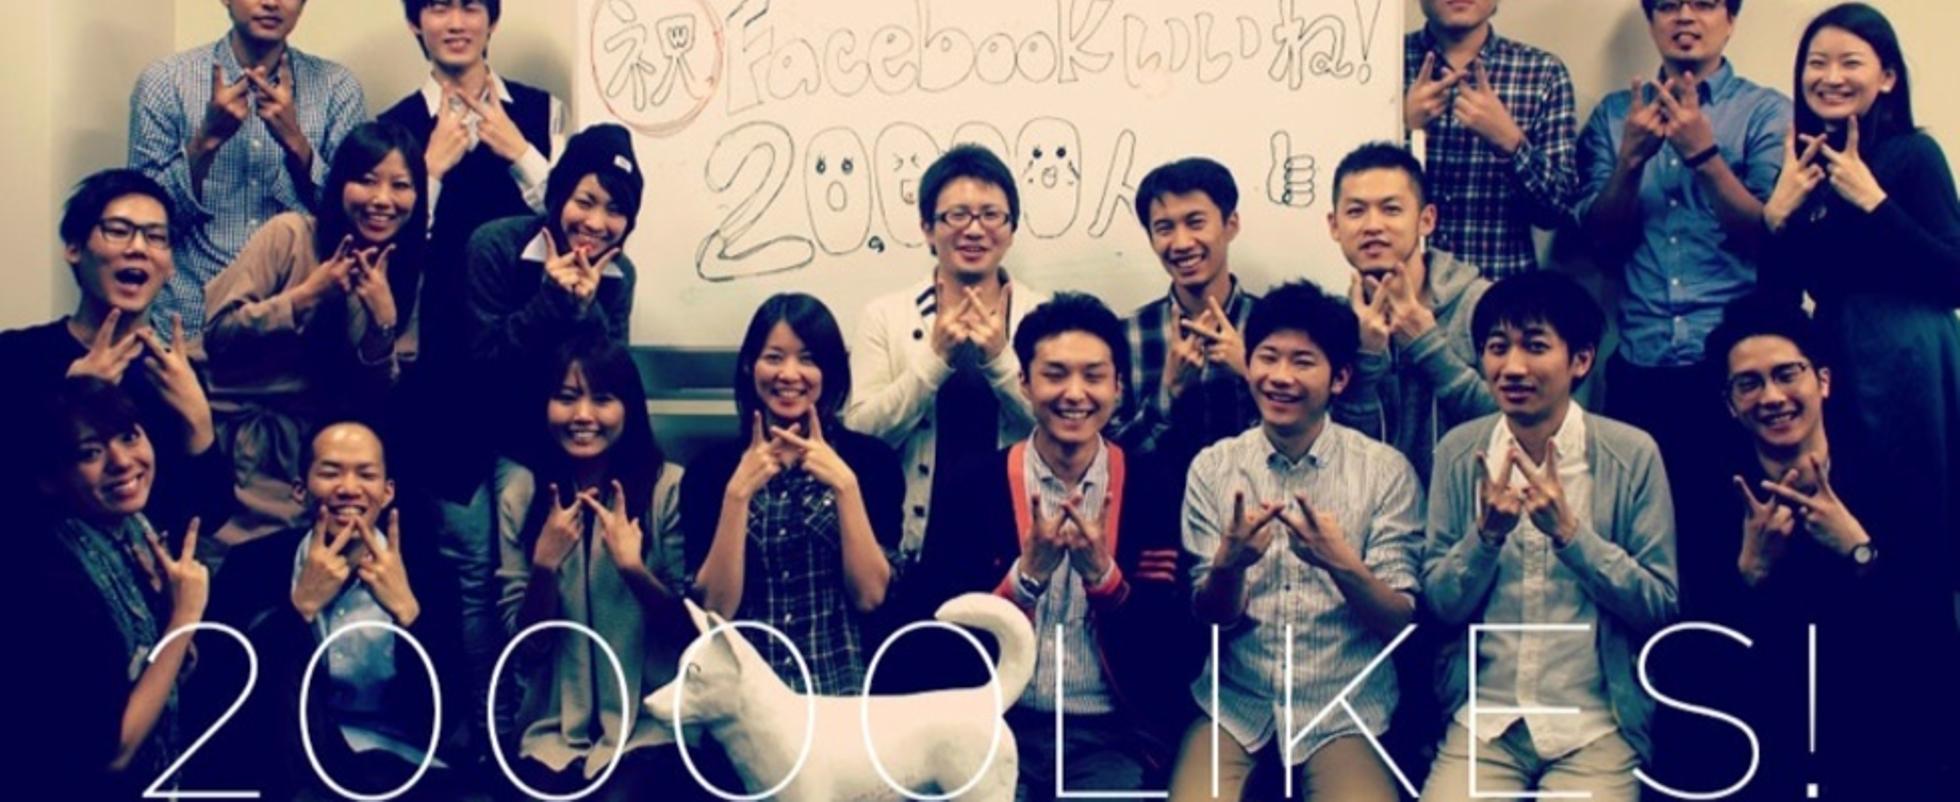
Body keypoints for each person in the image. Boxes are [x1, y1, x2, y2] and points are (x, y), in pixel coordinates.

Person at [1644, 295, 1960, 798]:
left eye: (1787, 374)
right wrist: (1748, 574)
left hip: (1877, 722)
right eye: (1749, 384)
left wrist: (1858, 550)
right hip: (1768, 730)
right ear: (1730, 404)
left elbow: (1929, 630)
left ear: (1824, 381)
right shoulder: (1709, 498)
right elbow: (1691, 661)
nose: (1772, 397)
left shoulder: (1890, 477)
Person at [916, 293, 1194, 799]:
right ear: (1024, 382)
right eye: (1055, 374)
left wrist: (1104, 579)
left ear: (1118, 386)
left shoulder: (1152, 485)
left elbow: (1168, 647)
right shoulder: (972, 484)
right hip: (994, 723)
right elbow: (939, 635)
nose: (1074, 393)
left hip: (1109, 735)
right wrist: (1024, 581)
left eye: (1093, 376)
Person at [1418, 272, 1677, 802]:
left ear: (1580, 360)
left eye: (1535, 346)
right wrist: (1484, 538)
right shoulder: (1459, 452)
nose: (1512, 367)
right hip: (1484, 722)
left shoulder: (1632, 454)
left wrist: (1571, 535)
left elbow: (1660, 606)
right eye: (1497, 348)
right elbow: (1439, 605)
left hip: (1597, 726)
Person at [1169, 282, 1424, 801]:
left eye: (1303, 361)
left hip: (1345, 707)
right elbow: (1211, 619)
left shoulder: (1385, 471)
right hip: (1236, 702)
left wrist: (1340, 563)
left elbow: (1399, 623)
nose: (1281, 377)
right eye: (1268, 357)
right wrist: (1228, 566)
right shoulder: (1213, 468)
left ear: (1340, 378)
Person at [1761, 1, 1960, 623]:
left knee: (1915, 519)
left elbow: (1952, 277)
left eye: (1851, 62)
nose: (1830, 77)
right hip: (1838, 357)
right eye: (1816, 63)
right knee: (1847, 517)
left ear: (1887, 77)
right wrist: (1776, 217)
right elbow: (1778, 303)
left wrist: (1875, 202)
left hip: (1909, 361)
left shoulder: (1913, 154)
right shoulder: (1807, 166)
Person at [452, 120, 643, 745]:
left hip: (566, 440)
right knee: (487, 576)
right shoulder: (496, 246)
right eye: (585, 200)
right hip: (483, 437)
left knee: (584, 567)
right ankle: (494, 729)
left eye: (615, 211)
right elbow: (482, 367)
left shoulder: (619, 274)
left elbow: (607, 375)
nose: (596, 222)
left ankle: (572, 716)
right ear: (558, 195)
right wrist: (551, 302)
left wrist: (587, 305)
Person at [1578, 0, 1790, 496]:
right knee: (1638, 526)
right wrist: (1630, 161)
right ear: (1651, 21)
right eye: (1669, 5)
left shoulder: (1765, 111)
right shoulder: (1615, 115)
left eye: (1705, 4)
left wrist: (1704, 155)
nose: (1685, 17)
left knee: (1734, 523)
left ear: (1730, 20)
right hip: (1641, 361)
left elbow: (1769, 238)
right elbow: (1600, 244)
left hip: (1737, 367)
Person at [494, 335, 704, 801]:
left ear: (628, 408)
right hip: (553, 732)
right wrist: (544, 567)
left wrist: (633, 569)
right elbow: (524, 649)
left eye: (602, 399)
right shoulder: (521, 496)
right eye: (566, 398)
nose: (583, 415)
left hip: (652, 724)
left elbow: (690, 634)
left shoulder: (668, 487)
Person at [201, 121, 427, 549]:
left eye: (400, 185)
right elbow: (219, 334)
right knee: (238, 565)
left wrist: (382, 323)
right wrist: (305, 296)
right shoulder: (290, 234)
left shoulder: (406, 270)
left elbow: (379, 400)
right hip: (239, 441)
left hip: (322, 455)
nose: (382, 199)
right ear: (340, 184)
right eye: (367, 180)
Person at [211, 421, 457, 800]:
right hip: (286, 760)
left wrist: (409, 615)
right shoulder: (251, 566)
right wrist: (299, 609)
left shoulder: (429, 573)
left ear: (387, 492)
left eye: (366, 475)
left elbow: (447, 714)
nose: (348, 488)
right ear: (300, 490)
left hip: (397, 759)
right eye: (330, 473)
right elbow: (225, 693)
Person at [682, 293, 904, 696]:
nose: (789, 374)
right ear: (750, 365)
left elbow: (871, 597)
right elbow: (715, 609)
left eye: (808, 359)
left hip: (843, 698)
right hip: (745, 701)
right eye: (773, 357)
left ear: (830, 371)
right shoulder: (710, 471)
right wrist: (737, 496)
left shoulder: (871, 462)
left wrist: (845, 487)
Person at [844, 143, 1051, 562]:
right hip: (915, 546)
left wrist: (1000, 361)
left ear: (1011, 229)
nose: (974, 230)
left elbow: (1066, 430)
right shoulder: (885, 315)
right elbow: (861, 438)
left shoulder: (1044, 315)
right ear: (927, 227)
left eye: (990, 215)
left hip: (1019, 547)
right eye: (957, 215)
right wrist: (933, 362)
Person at [21, 379, 215, 799]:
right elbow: (113, 751)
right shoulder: (50, 576)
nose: (123, 462)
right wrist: (184, 618)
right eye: (90, 452)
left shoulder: (136, 531)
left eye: (129, 436)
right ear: (51, 478)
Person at [128, 0, 367, 337]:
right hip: (188, 321)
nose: (271, 3)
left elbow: (353, 221)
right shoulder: (166, 82)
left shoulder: (337, 88)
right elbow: (142, 226)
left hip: (296, 323)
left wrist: (297, 143)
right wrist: (206, 141)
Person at [0, 169, 218, 533]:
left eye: (156, 237)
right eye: (118, 231)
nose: (138, 248)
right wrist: (73, 402)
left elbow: (207, 517)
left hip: (146, 567)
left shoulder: (176, 374)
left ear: (169, 267)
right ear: (74, 248)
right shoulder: (17, 357)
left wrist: (199, 422)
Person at [1329, 142, 1495, 482]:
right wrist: (1365, 358)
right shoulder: (1333, 321)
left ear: (1426, 220)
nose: (1372, 226)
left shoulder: (1481, 305)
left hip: (1469, 506)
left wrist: (1428, 345)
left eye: (1391, 209)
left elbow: (1513, 423)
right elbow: (1341, 456)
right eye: (1356, 211)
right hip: (1374, 509)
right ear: (1334, 226)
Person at [1403, 0, 1578, 279]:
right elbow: (1348, 188)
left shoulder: (1542, 73)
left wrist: (1511, 143)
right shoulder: (1386, 63)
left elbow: (1557, 211)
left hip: (1502, 291)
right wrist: (1404, 129)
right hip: (1403, 290)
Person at [1112, 157, 1261, 469]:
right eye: (1164, 228)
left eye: (1195, 222)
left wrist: (1252, 374)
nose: (1181, 243)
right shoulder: (1128, 334)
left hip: (1258, 498)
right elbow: (1111, 457)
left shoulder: (1275, 326)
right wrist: (1169, 391)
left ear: (1230, 225)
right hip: (1158, 499)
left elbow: (1307, 437)